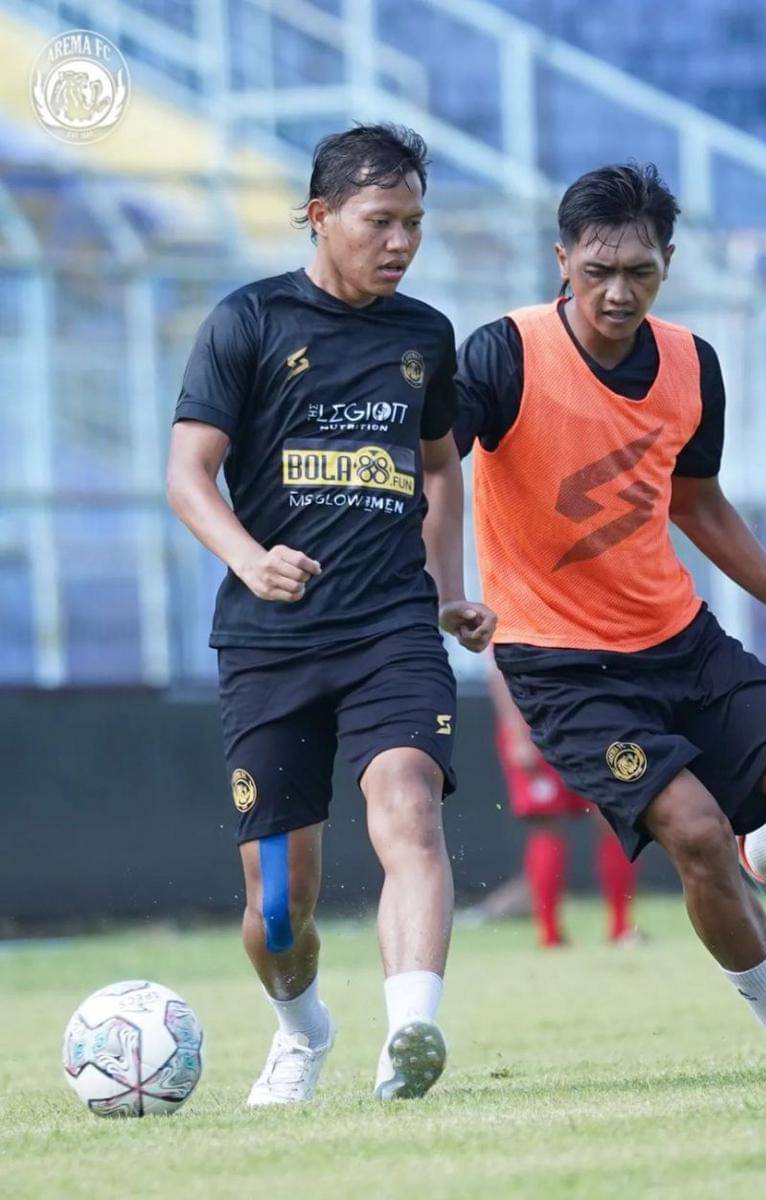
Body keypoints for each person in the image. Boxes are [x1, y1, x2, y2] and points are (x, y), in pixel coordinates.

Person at [454, 162, 766, 1079]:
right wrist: (432, 586)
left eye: (641, 272)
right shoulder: (503, 354)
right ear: (563, 259)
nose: (619, 292)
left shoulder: (694, 364)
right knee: (694, 830)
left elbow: (701, 505)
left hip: (681, 641)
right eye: (599, 270)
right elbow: (431, 464)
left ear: (668, 264)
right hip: (561, 664)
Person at [167, 124, 495, 1107]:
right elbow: (187, 472)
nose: (401, 241)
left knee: (405, 806)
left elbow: (440, 466)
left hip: (392, 627)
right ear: (319, 216)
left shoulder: (423, 337)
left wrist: (444, 593)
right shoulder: (249, 321)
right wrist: (248, 557)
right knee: (276, 911)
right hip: (268, 645)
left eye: (415, 224)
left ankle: (410, 1037)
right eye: (380, 221)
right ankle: (302, 1032)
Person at [489, 664, 642, 947]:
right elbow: (499, 667)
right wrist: (517, 733)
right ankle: (549, 935)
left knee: (613, 819)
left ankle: (622, 928)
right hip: (537, 721)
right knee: (548, 825)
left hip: (593, 721)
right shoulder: (514, 619)